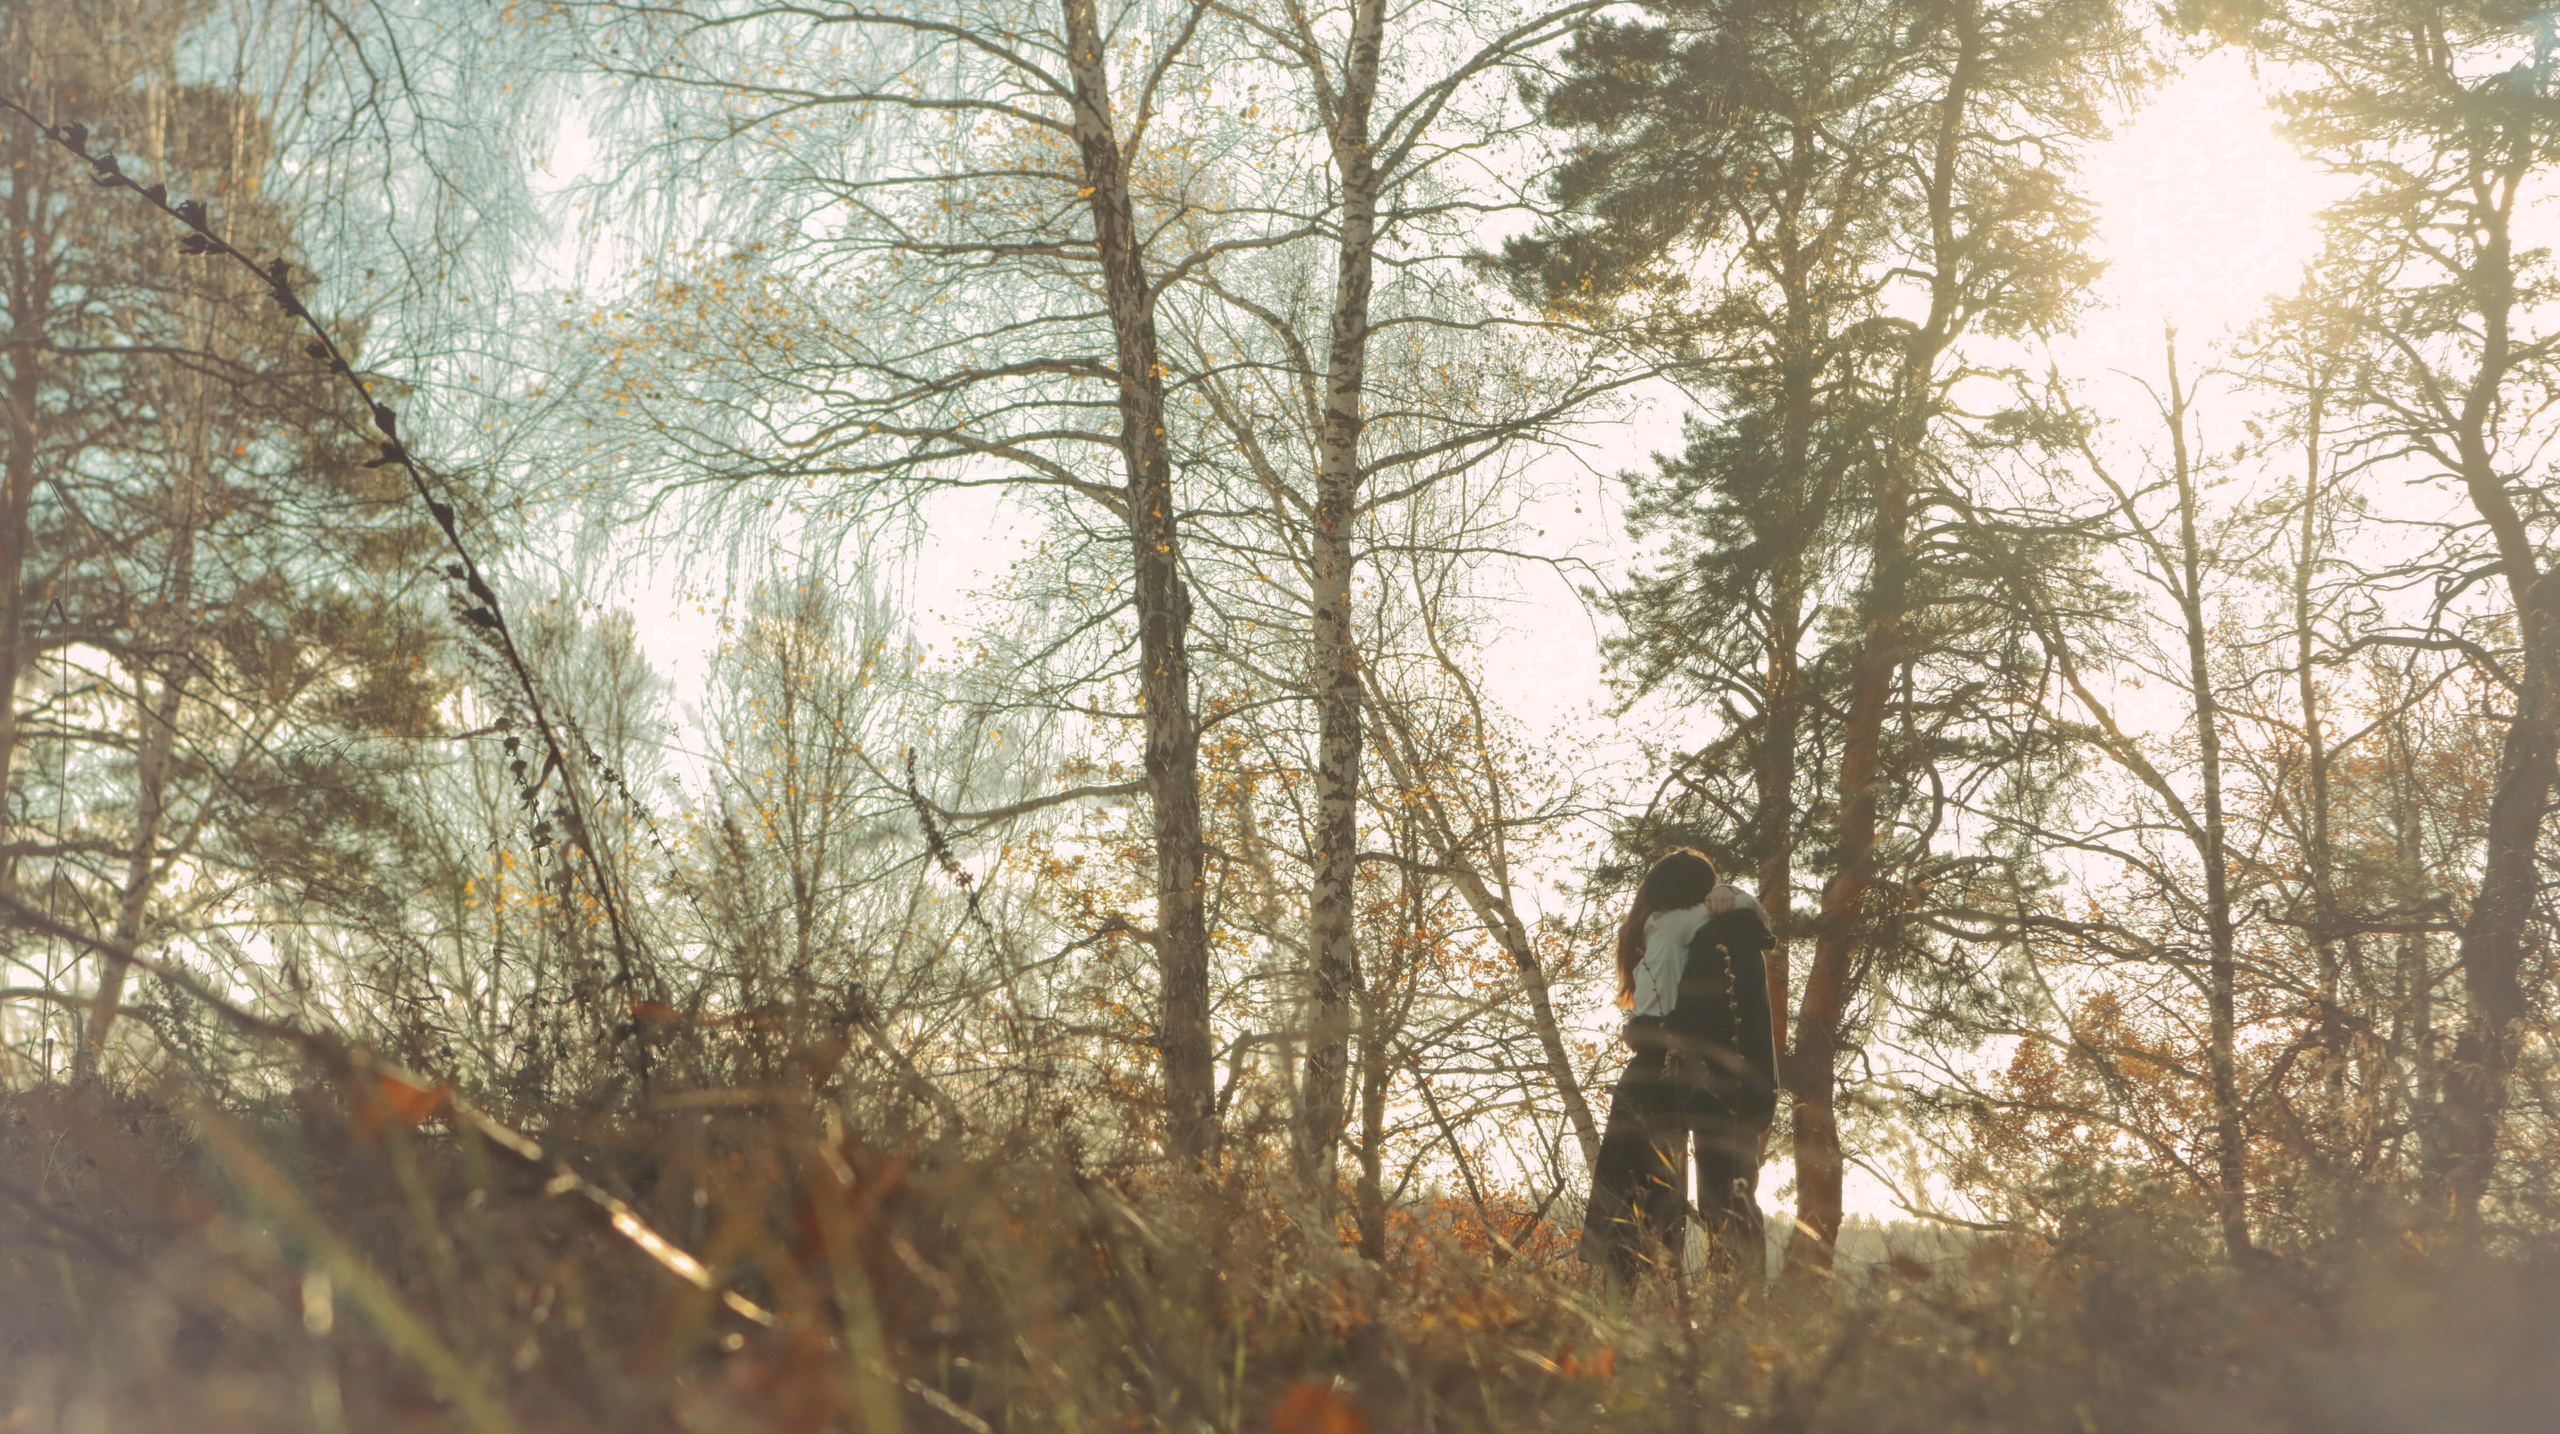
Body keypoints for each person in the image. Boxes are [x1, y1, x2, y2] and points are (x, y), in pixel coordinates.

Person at [1580, 847, 1779, 1285]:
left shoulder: (1659, 925)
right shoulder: (1696, 924)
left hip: (1657, 1063)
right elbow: (1758, 922)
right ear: (1700, 894)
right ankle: (1738, 1305)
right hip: (1710, 1069)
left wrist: (1733, 894)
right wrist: (1735, 894)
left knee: (1644, 1195)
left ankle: (1636, 1296)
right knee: (1725, 1200)